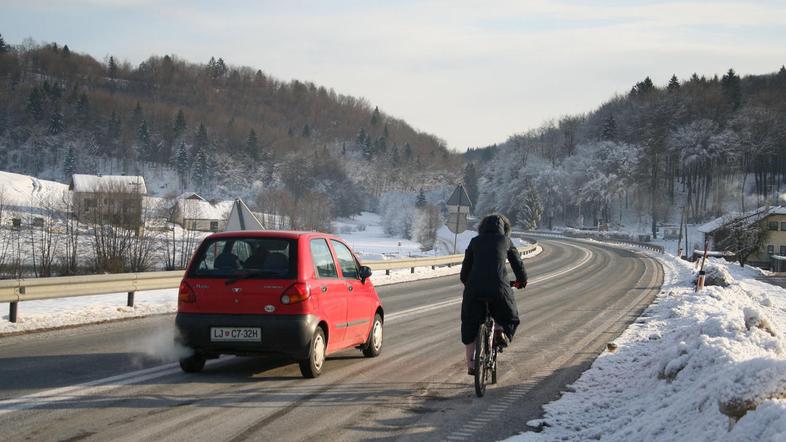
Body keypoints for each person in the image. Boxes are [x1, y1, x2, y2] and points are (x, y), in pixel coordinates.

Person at [460, 213, 527, 375]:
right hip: (499, 288)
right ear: (505, 229)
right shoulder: (506, 241)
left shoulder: (474, 242)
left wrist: (470, 285)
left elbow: (464, 273)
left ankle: (471, 364)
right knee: (509, 315)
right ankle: (499, 329)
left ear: (481, 228)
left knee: (470, 324)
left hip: (474, 289)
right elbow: (518, 265)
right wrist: (521, 281)